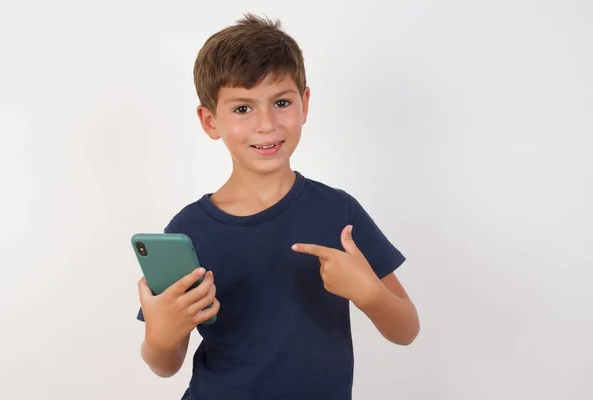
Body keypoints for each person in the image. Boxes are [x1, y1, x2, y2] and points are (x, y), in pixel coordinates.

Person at [135, 13, 420, 400]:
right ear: (209, 120)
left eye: (281, 102)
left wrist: (368, 293)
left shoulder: (339, 213)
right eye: (242, 108)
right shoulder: (188, 232)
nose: (266, 124)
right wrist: (160, 336)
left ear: (304, 104)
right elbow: (165, 364)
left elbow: (406, 330)